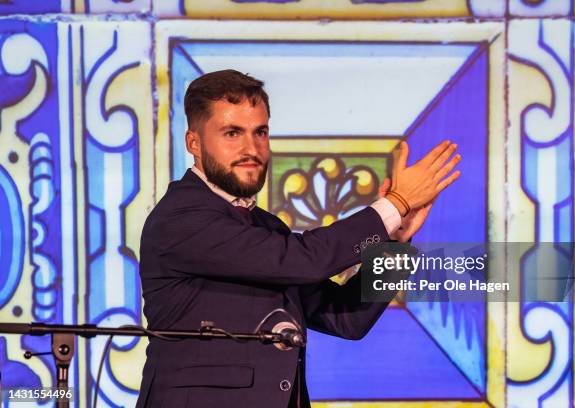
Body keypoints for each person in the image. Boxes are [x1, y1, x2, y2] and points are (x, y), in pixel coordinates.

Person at [136, 69, 461, 408]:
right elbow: (306, 259)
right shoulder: (181, 218)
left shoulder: (265, 226)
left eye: (260, 132)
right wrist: (394, 204)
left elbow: (347, 318)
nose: (252, 148)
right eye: (232, 133)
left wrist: (395, 243)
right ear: (194, 143)